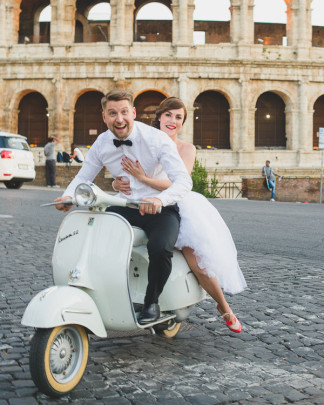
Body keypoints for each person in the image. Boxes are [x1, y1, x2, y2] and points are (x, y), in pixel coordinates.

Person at [54, 89, 192, 325]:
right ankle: (99, 293)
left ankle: (152, 301)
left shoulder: (156, 139)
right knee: (92, 237)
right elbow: (83, 176)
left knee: (160, 248)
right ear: (104, 117)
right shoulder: (101, 142)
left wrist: (159, 200)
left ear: (134, 113)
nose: (119, 119)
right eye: (113, 113)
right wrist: (67, 196)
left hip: (160, 208)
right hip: (124, 204)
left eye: (124, 112)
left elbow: (183, 181)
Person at [113, 97, 246, 333]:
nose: (173, 121)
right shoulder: (141, 141)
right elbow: (124, 175)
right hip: (141, 202)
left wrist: (144, 179)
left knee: (197, 261)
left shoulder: (187, 149)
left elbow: (179, 183)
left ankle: (225, 308)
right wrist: (117, 184)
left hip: (179, 204)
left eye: (179, 118)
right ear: (159, 117)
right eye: (169, 115)